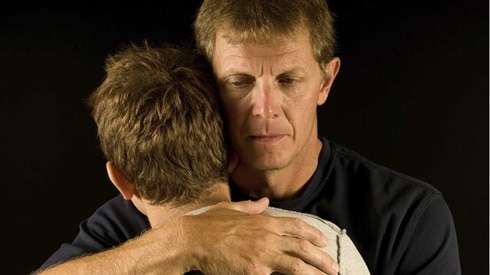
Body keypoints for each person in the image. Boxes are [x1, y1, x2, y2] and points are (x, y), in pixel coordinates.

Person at [37, 0, 461, 274]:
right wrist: (187, 238)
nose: (264, 107)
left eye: (288, 79)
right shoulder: (155, 203)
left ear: (325, 81)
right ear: (209, 82)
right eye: (239, 81)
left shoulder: (407, 216)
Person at [36, 41, 369, 274]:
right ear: (232, 156)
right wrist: (185, 239)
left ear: (120, 180)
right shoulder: (324, 247)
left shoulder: (114, 258)